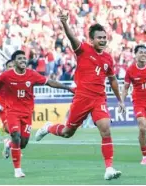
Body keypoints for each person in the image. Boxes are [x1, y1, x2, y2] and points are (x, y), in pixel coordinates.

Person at [35, 11, 125, 180]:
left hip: (99, 99)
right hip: (82, 98)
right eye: (99, 38)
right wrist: (64, 23)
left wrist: (120, 100)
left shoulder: (107, 59)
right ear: (91, 40)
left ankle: (109, 168)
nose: (103, 40)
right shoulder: (83, 49)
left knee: (106, 130)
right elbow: (71, 38)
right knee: (68, 132)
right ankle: (48, 127)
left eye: (105, 37)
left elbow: (112, 80)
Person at [0, 50, 74, 178]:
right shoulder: (7, 75)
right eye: (20, 59)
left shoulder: (32, 74)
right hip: (12, 112)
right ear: (14, 62)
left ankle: (9, 144)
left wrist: (68, 88)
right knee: (16, 135)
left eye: (24, 58)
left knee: (23, 143)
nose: (23, 60)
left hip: (27, 113)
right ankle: (17, 170)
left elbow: (50, 82)